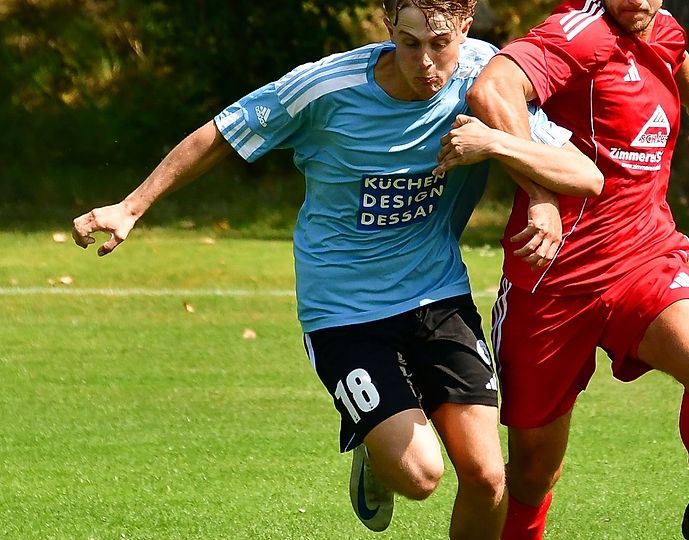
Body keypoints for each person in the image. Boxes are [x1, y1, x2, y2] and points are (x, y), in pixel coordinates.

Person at [70, 1, 603, 538]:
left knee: (487, 477)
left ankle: (388, 429)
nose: (425, 62)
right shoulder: (326, 88)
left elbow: (585, 175)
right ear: (388, 29)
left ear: (465, 29)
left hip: (438, 294)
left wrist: (509, 160)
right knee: (421, 475)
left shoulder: (485, 79)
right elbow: (223, 133)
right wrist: (131, 207)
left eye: (440, 44)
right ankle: (379, 447)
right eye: (410, 43)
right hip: (343, 311)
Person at [461, 1, 689, 538]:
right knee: (533, 472)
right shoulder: (578, 31)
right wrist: (541, 196)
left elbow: (675, 53)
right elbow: (491, 90)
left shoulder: (662, 25)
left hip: (645, 257)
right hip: (553, 278)